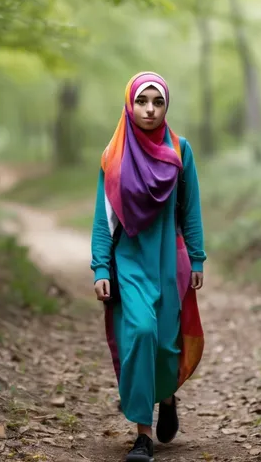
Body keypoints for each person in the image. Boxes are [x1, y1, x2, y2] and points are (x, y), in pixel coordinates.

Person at [90, 71, 206, 462]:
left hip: (169, 258)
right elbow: (103, 219)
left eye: (158, 102)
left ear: (166, 105)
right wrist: (101, 268)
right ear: (130, 103)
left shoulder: (180, 149)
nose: (150, 109)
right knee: (140, 333)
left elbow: (190, 209)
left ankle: (167, 396)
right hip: (131, 258)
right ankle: (142, 435)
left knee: (163, 343)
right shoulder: (113, 154)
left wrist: (198, 256)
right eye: (143, 101)